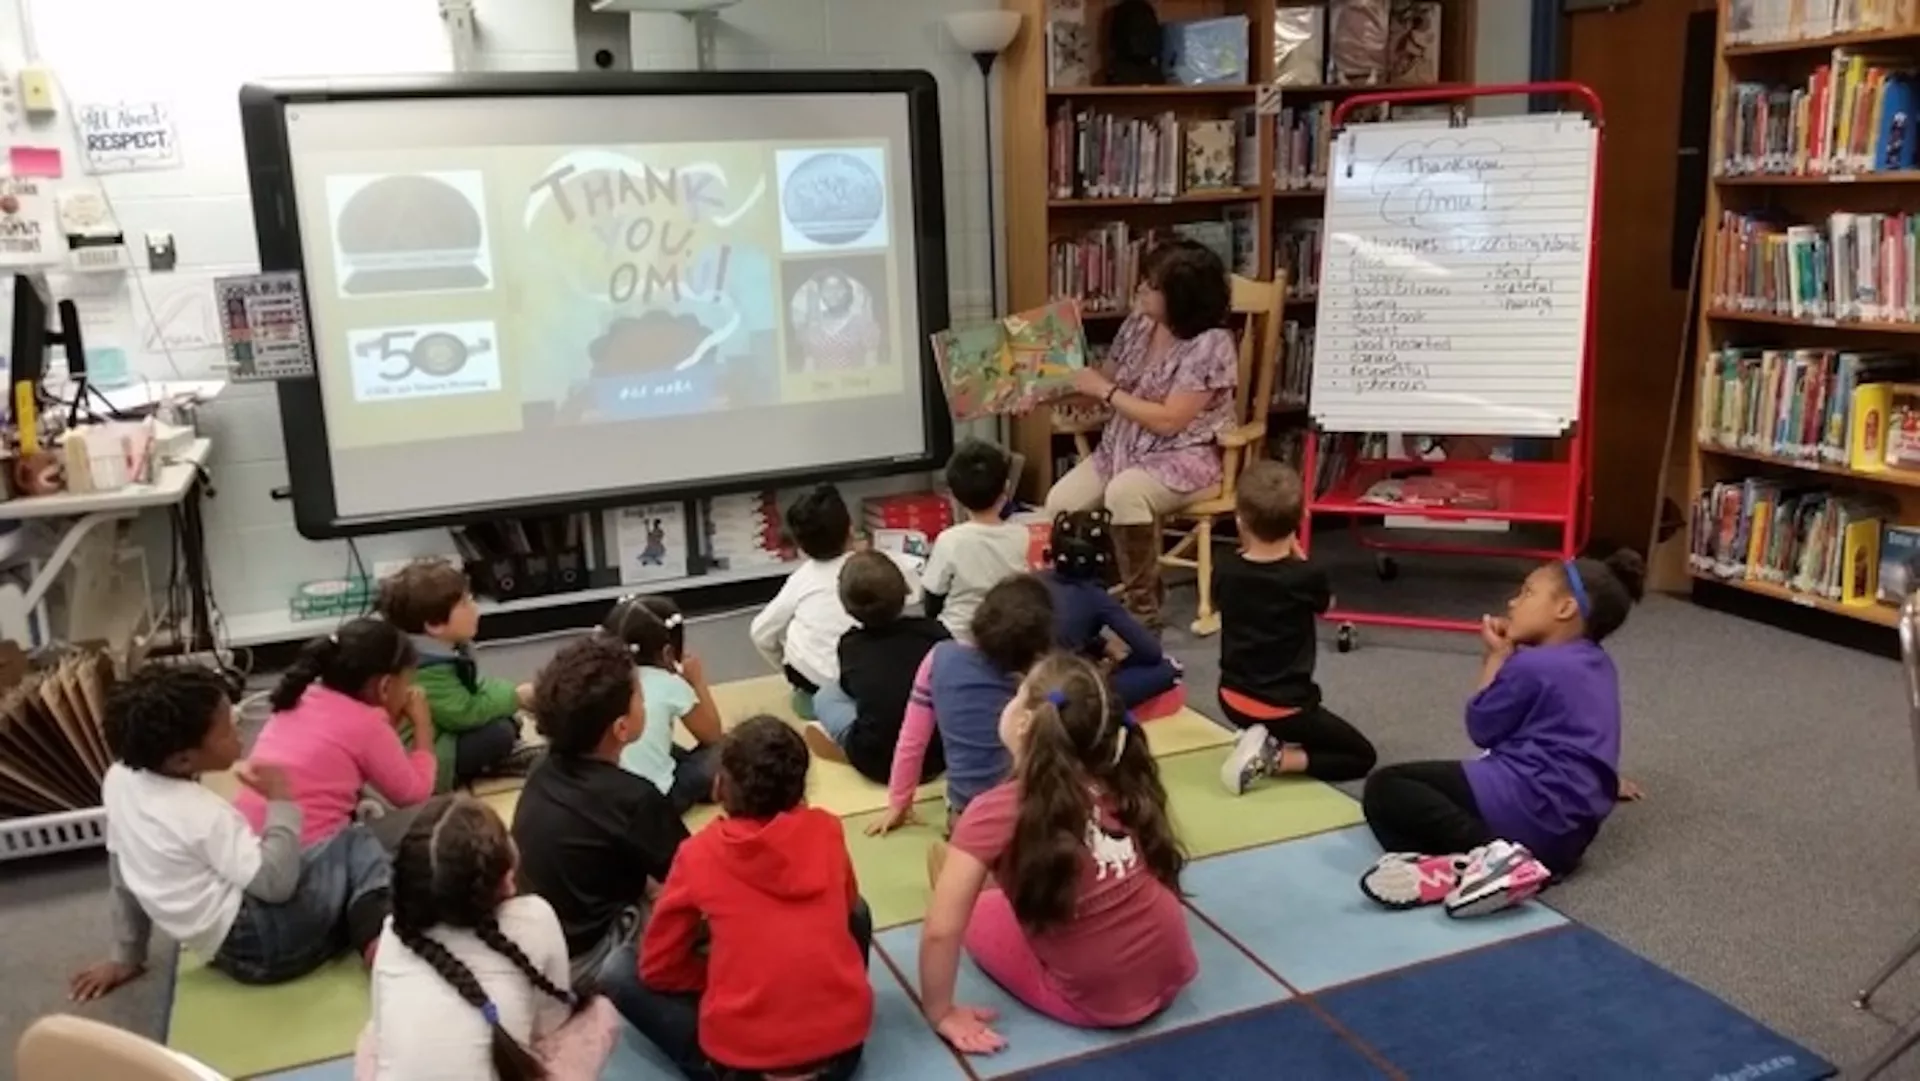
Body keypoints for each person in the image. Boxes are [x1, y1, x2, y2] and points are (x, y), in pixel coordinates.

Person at [918, 654, 1196, 1054]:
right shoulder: (1118, 775)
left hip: (1097, 1000)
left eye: (1016, 694)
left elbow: (941, 932)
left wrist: (940, 1011)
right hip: (1172, 969)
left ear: (1023, 722)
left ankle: (959, 873)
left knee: (974, 906)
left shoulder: (993, 811)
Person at [69, 664, 392, 1000]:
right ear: (181, 761)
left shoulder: (119, 779)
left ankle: (352, 922)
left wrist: (127, 955)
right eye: (226, 730)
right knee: (355, 842)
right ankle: (382, 953)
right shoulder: (200, 813)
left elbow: (123, 872)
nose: (238, 729)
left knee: (320, 861)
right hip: (268, 942)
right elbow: (276, 886)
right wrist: (281, 800)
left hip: (226, 954)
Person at [1359, 550, 1647, 917]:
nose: (1513, 601)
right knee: (1461, 779)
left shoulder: (1532, 664)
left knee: (1387, 789)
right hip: (1567, 843)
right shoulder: (1599, 663)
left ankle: (1492, 856)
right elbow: (1589, 733)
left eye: (1527, 592)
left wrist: (1496, 657)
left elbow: (1482, 726)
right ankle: (1464, 869)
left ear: (1564, 609)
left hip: (1526, 809)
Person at [602, 718, 874, 1081]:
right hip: (842, 1054)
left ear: (719, 786)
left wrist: (720, 978)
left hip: (745, 1069)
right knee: (857, 911)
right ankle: (827, 1006)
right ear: (800, 789)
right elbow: (845, 905)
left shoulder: (699, 853)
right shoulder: (827, 829)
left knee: (620, 970)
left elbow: (658, 967)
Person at [1043, 239, 1241, 628]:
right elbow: (1106, 380)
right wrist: (1042, 395)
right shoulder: (1139, 324)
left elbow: (1170, 420)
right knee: (1060, 503)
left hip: (1185, 457)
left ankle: (1141, 612)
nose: (1140, 291)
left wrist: (1106, 392)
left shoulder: (1212, 345)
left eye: (1151, 286)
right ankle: (1092, 598)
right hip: (1122, 448)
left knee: (1125, 493)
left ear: (1180, 297)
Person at [356, 796, 619, 1081]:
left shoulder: (395, 931)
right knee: (599, 1015)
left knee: (373, 1036)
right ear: (505, 880)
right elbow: (550, 1026)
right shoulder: (533, 917)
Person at [512, 634, 688, 988]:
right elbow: (695, 873)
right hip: (588, 960)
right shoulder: (634, 798)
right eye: (640, 695)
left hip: (536, 943)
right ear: (621, 728)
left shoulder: (542, 769)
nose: (645, 701)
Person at [1214, 461, 1378, 793]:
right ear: (1302, 517)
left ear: (1239, 520)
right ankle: (1274, 758)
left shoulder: (1225, 567)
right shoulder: (1306, 575)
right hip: (1284, 709)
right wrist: (1300, 562)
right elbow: (1326, 606)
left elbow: (1223, 601)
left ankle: (1254, 734)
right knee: (1361, 756)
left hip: (1230, 700)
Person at [870, 575, 1055, 835]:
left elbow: (912, 739)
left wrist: (898, 803)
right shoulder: (1044, 679)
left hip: (967, 816)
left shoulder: (939, 658)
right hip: (1036, 819)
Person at [235, 619, 438, 849]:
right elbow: (413, 793)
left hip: (250, 845)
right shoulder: (367, 724)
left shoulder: (301, 696)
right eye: (407, 682)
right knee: (437, 819)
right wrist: (423, 725)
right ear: (385, 686)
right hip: (309, 855)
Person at [749, 484, 921, 720]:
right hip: (873, 679)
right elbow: (914, 594)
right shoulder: (878, 566)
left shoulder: (801, 579)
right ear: (851, 530)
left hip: (814, 683)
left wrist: (783, 664)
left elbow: (760, 631)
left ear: (800, 545)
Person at [377, 560, 540, 793]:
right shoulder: (422, 667)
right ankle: (490, 764)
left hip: (443, 730)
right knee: (498, 734)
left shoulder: (441, 647)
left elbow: (471, 688)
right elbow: (464, 713)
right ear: (434, 625)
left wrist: (509, 697)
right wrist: (515, 697)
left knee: (505, 718)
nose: (475, 607)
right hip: (430, 755)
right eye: (465, 603)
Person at [803, 550, 950, 785]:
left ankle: (848, 750)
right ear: (905, 591)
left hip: (878, 761)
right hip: (941, 755)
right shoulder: (934, 631)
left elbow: (852, 691)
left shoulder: (851, 645)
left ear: (847, 606)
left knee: (825, 696)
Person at [1039, 509, 1180, 708]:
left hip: (1024, 682)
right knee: (1169, 668)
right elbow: (1151, 652)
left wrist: (1099, 645)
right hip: (1068, 694)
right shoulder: (1096, 597)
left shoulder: (1034, 579)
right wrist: (1117, 666)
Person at [604, 594, 723, 813]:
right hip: (659, 801)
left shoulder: (601, 680)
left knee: (662, 747)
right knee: (724, 750)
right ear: (668, 652)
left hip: (610, 797)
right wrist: (697, 681)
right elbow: (712, 735)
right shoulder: (669, 683)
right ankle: (714, 786)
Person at [923, 440, 1030, 643]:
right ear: (1006, 488)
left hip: (956, 639)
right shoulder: (1023, 536)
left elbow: (932, 599)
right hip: (1007, 637)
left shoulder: (949, 540)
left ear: (953, 494)